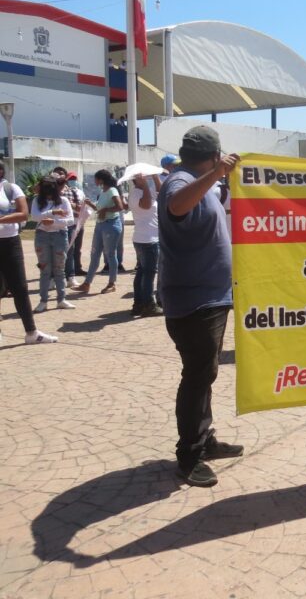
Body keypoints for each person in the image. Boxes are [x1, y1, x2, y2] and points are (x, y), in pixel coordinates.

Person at [158, 126, 242, 487]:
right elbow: (177, 205)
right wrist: (215, 174)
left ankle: (204, 439)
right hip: (194, 302)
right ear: (213, 155)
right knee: (196, 378)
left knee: (205, 375)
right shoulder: (179, 180)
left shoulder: (201, 180)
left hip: (210, 297)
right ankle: (189, 455)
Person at [0, 161, 58, 345]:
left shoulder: (11, 188)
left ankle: (31, 332)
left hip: (10, 242)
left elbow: (23, 214)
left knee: (20, 288)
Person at [74, 169, 123, 295]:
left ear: (101, 179)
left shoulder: (112, 190)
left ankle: (112, 283)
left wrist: (105, 210)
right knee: (94, 254)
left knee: (110, 255)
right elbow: (99, 209)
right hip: (100, 225)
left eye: (96, 179)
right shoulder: (103, 192)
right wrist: (91, 204)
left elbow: (120, 207)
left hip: (111, 225)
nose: (94, 181)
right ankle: (87, 284)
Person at [30, 176, 75, 312]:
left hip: (59, 236)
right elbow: (34, 217)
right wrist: (52, 212)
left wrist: (53, 222)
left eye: (50, 187)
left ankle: (61, 299)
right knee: (45, 270)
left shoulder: (63, 201)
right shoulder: (37, 200)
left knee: (59, 269)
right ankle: (43, 301)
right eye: (45, 187)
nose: (48, 191)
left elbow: (71, 220)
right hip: (42, 236)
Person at [128, 173, 161, 316]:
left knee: (143, 272)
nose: (145, 178)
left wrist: (155, 178)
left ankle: (139, 303)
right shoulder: (136, 193)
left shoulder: (144, 191)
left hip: (147, 238)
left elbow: (162, 192)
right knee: (148, 273)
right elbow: (147, 205)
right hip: (147, 239)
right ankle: (148, 304)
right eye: (143, 177)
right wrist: (145, 185)